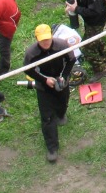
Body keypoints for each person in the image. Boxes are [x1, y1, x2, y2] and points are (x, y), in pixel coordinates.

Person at [23, 24, 75, 163]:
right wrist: (44, 80)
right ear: (36, 39)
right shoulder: (31, 53)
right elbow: (28, 70)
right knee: (47, 117)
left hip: (61, 81)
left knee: (63, 102)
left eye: (47, 39)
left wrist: (63, 76)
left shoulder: (61, 45)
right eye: (42, 40)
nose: (45, 43)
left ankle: (61, 114)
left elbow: (71, 60)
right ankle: (52, 148)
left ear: (52, 36)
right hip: (44, 87)